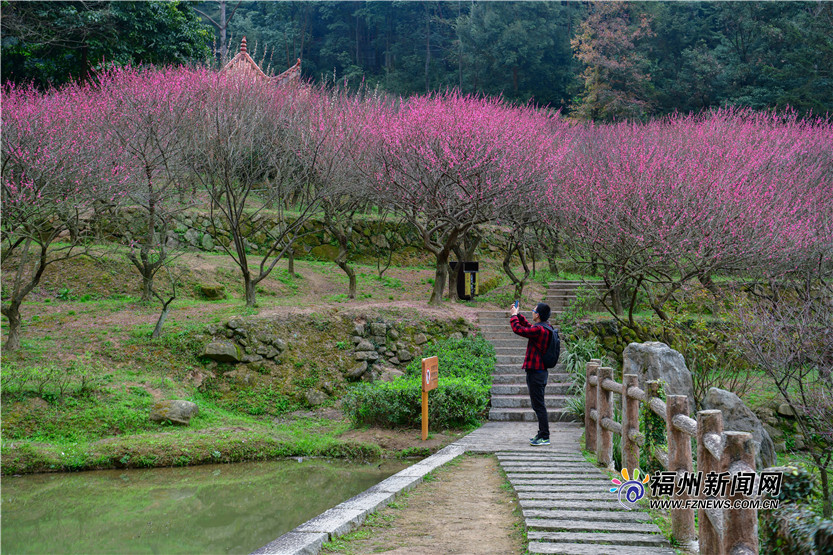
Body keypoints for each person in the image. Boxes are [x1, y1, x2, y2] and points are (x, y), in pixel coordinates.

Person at [509, 302, 552, 446]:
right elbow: (529, 327)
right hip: (539, 372)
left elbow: (519, 330)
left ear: (538, 314)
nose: (532, 311)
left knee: (539, 405)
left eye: (534, 310)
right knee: (538, 405)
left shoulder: (540, 330)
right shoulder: (545, 327)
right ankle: (541, 434)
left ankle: (545, 436)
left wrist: (514, 316)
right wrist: (519, 315)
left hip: (537, 373)